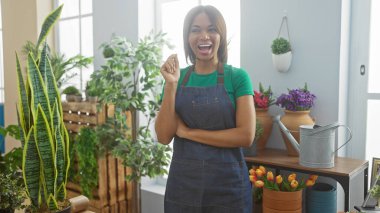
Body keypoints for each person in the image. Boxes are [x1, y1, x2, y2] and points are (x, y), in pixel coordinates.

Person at [155, 5, 256, 213]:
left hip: (229, 189)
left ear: (221, 35)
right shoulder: (176, 79)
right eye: (195, 30)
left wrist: (188, 133)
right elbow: (164, 136)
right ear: (187, 37)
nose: (204, 36)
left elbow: (246, 136)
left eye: (212, 29)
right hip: (183, 187)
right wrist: (171, 85)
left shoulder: (237, 77)